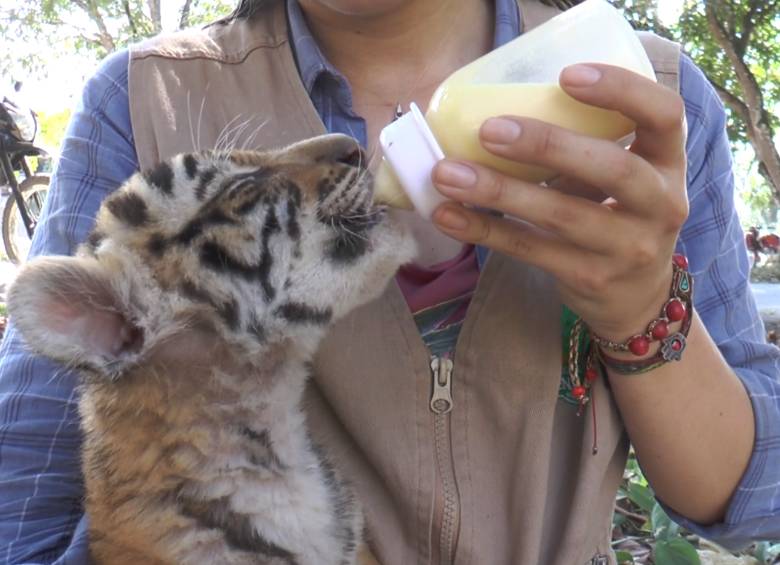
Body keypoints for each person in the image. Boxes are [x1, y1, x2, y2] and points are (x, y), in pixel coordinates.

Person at [1, 0, 779, 563]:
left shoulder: (645, 92)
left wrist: (644, 314)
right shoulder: (140, 102)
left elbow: (747, 499)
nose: (334, 153)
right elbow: (20, 514)